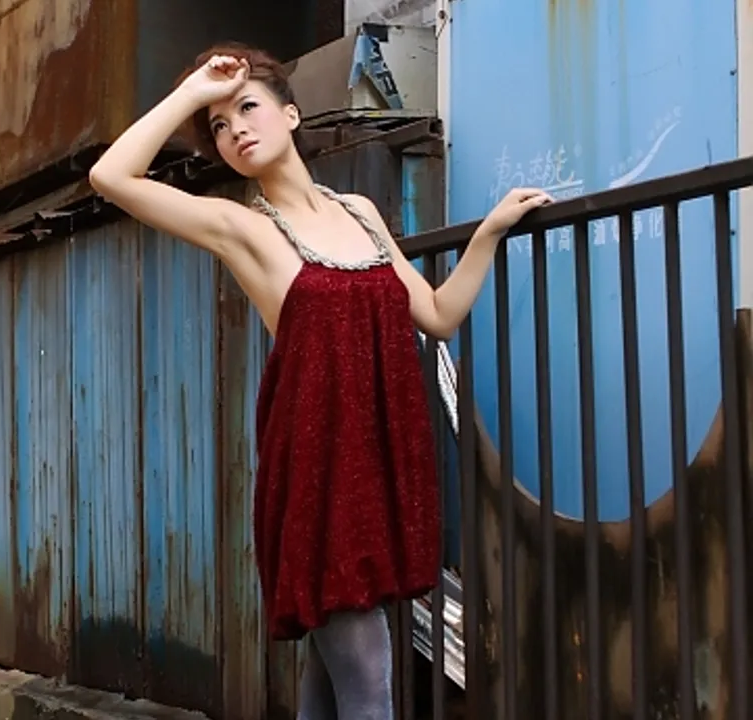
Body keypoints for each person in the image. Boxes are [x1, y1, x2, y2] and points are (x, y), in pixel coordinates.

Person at [89, 43, 552, 720]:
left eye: (247, 108)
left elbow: (437, 315)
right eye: (219, 126)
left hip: (379, 469)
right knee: (367, 682)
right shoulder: (241, 227)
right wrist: (194, 92)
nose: (235, 129)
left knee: (332, 687)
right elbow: (111, 175)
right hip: (317, 477)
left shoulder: (359, 211)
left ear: (292, 114)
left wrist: (489, 233)